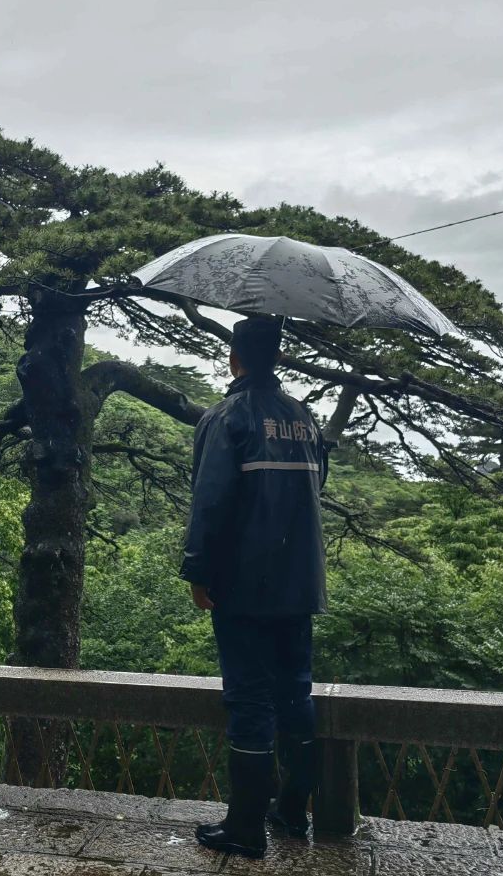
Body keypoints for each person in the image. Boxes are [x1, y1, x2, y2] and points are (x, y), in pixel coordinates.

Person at [181, 317, 329, 858]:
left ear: (233, 358)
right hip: (300, 580)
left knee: (248, 698)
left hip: (244, 584)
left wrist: (198, 571)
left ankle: (245, 826)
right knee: (295, 692)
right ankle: (292, 812)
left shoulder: (227, 417)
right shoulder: (304, 418)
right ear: (279, 358)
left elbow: (210, 500)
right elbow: (318, 485)